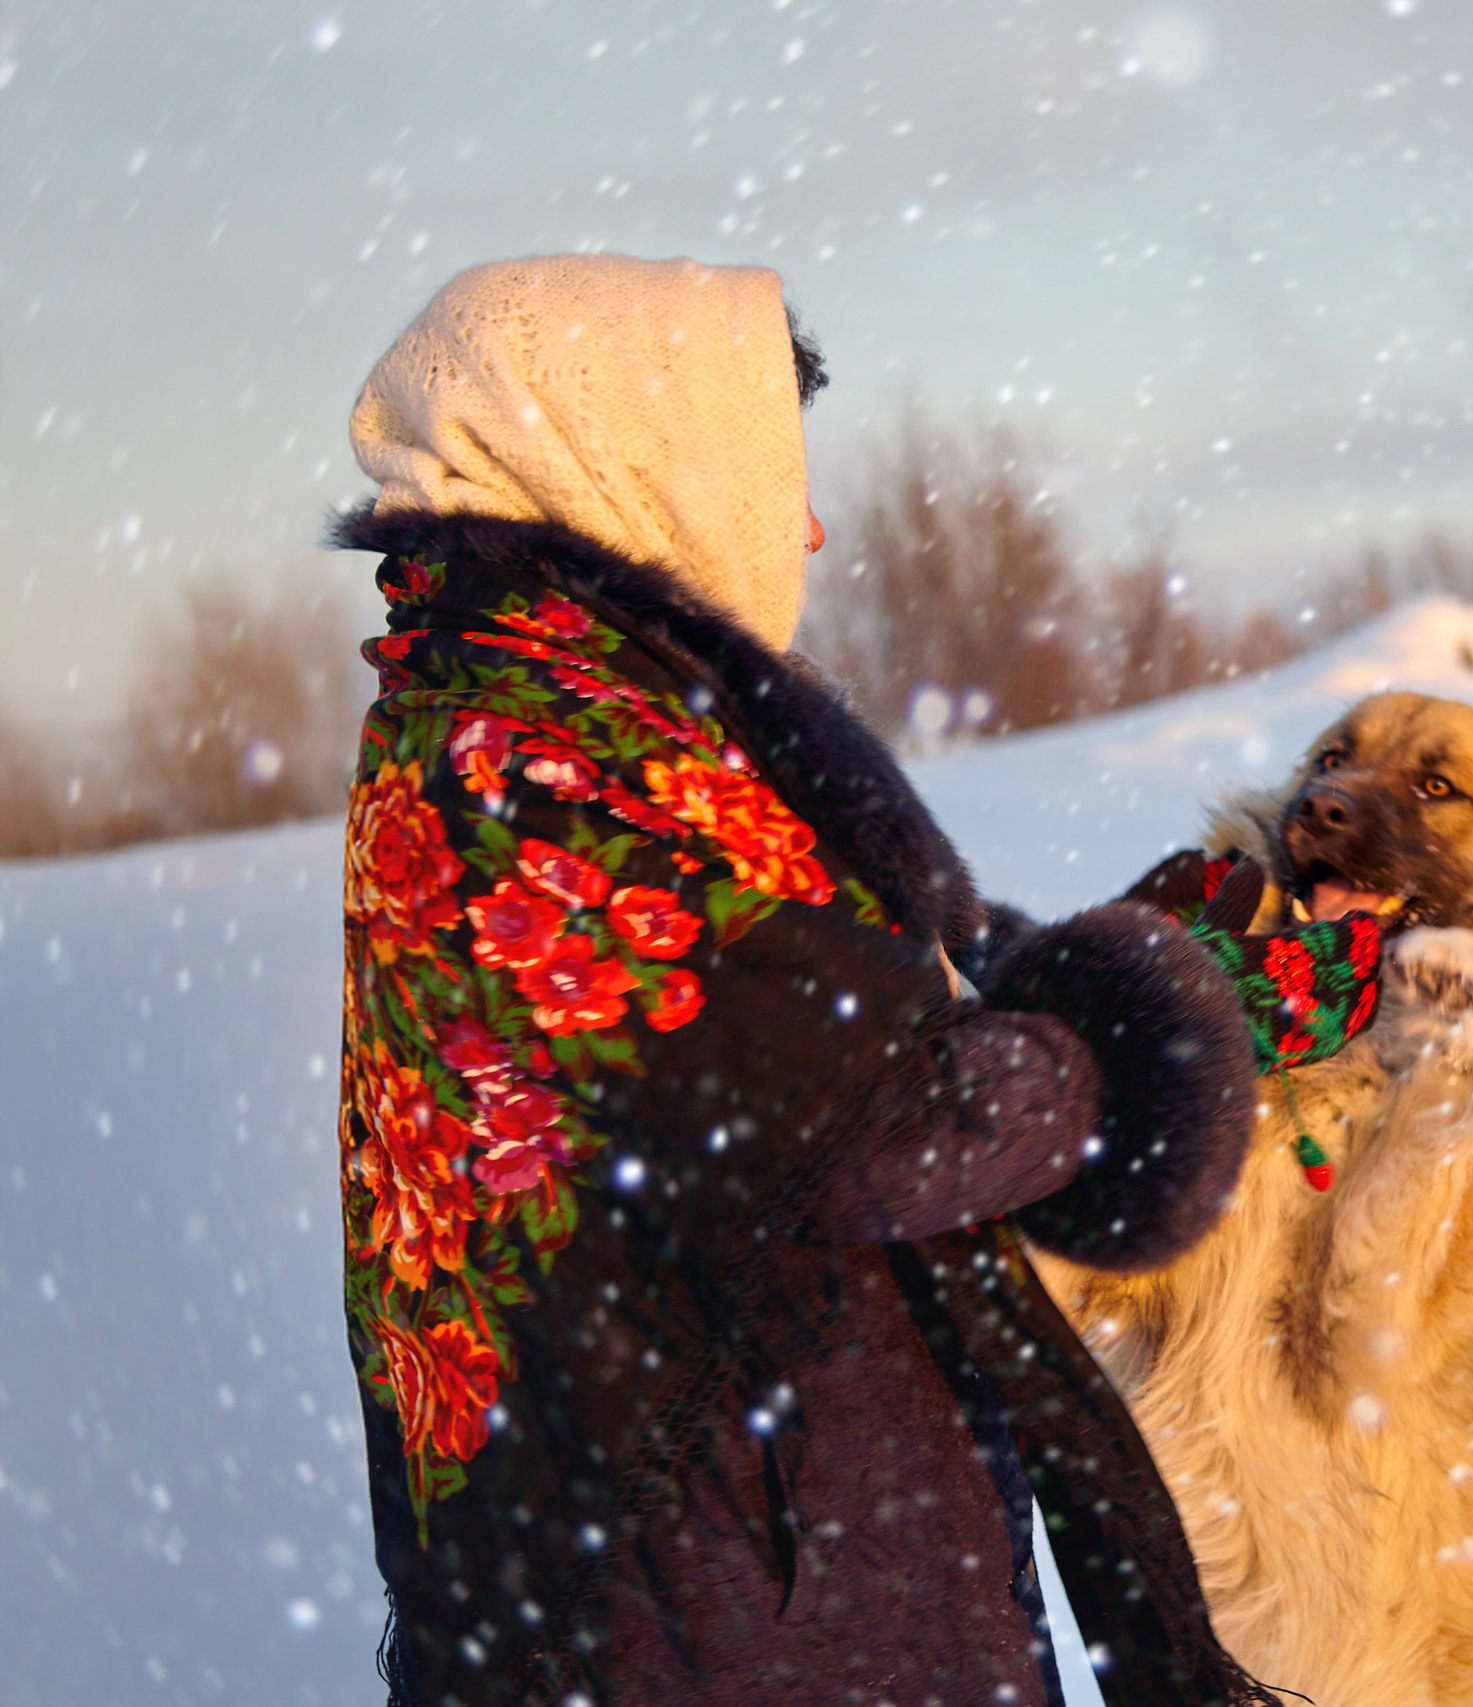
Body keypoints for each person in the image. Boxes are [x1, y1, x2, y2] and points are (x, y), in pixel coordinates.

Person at [330, 254, 1380, 1707]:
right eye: (777, 481)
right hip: (719, 1611)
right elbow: (882, 1117)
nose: (811, 526)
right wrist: (1139, 1036)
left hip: (744, 1561)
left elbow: (859, 995)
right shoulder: (529, 765)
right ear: (637, 462)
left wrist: (1185, 966)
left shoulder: (584, 723)